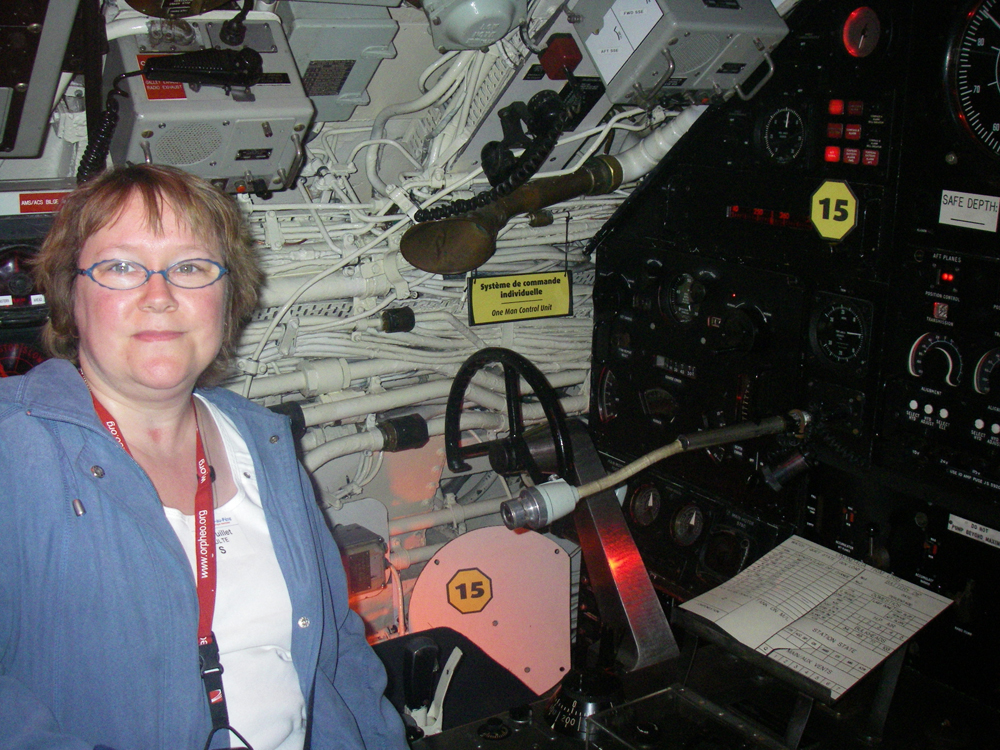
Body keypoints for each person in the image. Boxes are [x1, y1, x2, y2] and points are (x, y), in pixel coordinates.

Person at [0, 164, 408, 750]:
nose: (160, 297)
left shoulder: (262, 442)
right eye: (121, 267)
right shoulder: (15, 449)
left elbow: (338, 651)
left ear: (228, 296)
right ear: (70, 293)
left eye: (190, 268)